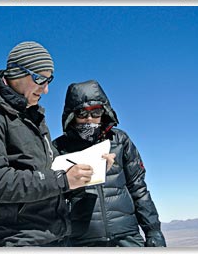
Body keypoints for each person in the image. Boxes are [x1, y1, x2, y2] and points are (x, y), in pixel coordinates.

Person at [0, 41, 94, 247]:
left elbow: (47, 169)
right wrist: (63, 180)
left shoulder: (33, 115)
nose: (46, 89)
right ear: (16, 73)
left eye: (50, 80)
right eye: (40, 79)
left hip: (56, 236)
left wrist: (88, 168)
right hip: (19, 240)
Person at [53, 80, 167, 247]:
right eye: (82, 113)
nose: (89, 119)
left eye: (96, 112)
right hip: (82, 240)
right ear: (71, 115)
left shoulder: (120, 140)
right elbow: (52, 197)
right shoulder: (59, 148)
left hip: (127, 237)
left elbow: (138, 188)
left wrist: (153, 231)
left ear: (104, 112)